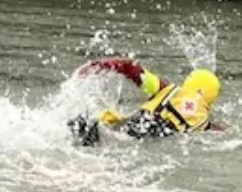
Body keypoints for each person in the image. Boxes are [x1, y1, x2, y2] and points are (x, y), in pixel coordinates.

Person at [67, 57, 222, 146]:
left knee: (99, 127)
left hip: (140, 124)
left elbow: (130, 67)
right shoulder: (206, 125)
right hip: (159, 137)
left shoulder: (167, 89)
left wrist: (97, 66)